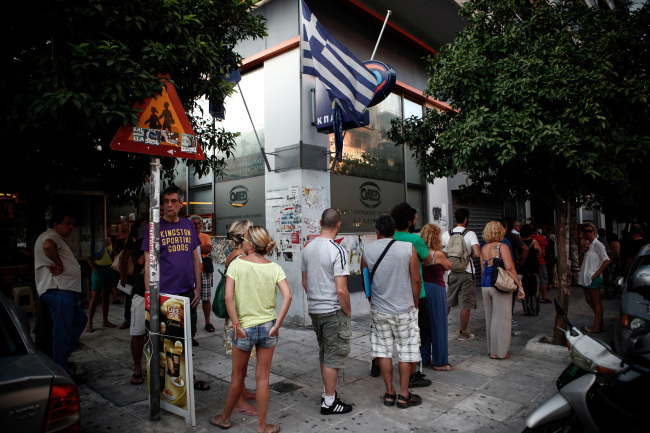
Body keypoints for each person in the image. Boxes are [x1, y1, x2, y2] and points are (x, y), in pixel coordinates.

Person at [210, 225, 292, 432]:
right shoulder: (274, 268)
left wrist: (236, 325)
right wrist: (278, 324)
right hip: (268, 328)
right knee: (263, 378)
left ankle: (224, 418)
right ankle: (263, 426)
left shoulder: (237, 265)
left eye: (245, 239)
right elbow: (288, 296)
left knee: (238, 376)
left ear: (252, 244)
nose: (242, 242)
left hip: (244, 328)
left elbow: (229, 297)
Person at [143, 185, 209, 391]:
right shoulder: (153, 227)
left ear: (181, 204)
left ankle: (188, 376)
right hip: (165, 294)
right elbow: (148, 262)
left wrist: (198, 288)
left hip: (187, 293)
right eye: (166, 201)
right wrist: (149, 296)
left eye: (173, 201)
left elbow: (195, 256)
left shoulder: (188, 225)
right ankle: (169, 381)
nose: (169, 205)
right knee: (168, 339)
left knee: (188, 337)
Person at [361, 214, 423, 409]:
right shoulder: (408, 248)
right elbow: (416, 280)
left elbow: (365, 280)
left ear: (377, 232)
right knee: (406, 352)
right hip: (405, 309)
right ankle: (404, 395)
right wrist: (414, 304)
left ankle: (389, 393)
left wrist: (372, 299)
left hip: (380, 310)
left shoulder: (368, 250)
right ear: (394, 231)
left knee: (383, 352)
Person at [301, 208, 353, 414]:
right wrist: (348, 311)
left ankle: (327, 392)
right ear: (339, 225)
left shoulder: (307, 248)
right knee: (333, 356)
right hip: (332, 310)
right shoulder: (337, 250)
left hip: (315, 309)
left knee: (324, 353)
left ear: (320, 222)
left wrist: (316, 299)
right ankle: (329, 402)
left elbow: (305, 282)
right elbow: (341, 289)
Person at [34, 209, 87, 375]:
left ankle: (60, 357)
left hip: (63, 291)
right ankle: (60, 368)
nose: (71, 227)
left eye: (72, 224)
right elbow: (47, 246)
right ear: (56, 224)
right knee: (62, 332)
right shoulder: (51, 236)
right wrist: (59, 263)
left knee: (79, 319)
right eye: (67, 223)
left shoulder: (56, 237)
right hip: (59, 290)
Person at [390, 202, 431, 388]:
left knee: (393, 336)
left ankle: (378, 366)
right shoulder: (414, 240)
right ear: (409, 222)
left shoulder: (389, 238)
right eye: (415, 219)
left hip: (394, 292)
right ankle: (413, 373)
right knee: (417, 335)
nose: (416, 222)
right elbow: (428, 259)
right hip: (416, 294)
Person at [223, 219, 258, 416]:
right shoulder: (239, 259)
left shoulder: (236, 255)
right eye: (249, 231)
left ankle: (242, 391)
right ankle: (238, 401)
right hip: (240, 316)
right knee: (240, 364)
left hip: (238, 315)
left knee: (242, 362)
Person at [480, 221, 525, 360]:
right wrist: (519, 286)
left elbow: (483, 270)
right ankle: (500, 352)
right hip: (499, 285)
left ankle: (492, 350)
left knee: (490, 319)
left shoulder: (484, 248)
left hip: (485, 285)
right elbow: (510, 268)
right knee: (502, 319)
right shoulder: (502, 246)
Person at [442, 208, 481, 340]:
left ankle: (440, 330)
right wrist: (468, 254)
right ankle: (463, 333)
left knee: (447, 302)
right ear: (466, 219)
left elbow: (441, 252)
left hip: (451, 271)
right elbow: (477, 253)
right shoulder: (470, 234)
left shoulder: (447, 234)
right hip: (467, 272)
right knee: (466, 303)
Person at [419, 223, 453, 371]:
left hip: (422, 289)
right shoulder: (437, 254)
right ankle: (439, 361)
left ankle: (424, 358)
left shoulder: (419, 253)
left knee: (424, 325)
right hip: (436, 290)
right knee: (439, 325)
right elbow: (449, 266)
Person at [579, 222, 610, 333]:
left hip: (593, 276)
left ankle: (596, 326)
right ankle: (600, 324)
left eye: (589, 231)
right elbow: (581, 262)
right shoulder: (587, 245)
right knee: (589, 300)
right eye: (585, 231)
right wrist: (582, 253)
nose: (587, 233)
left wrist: (596, 274)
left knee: (596, 301)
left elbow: (606, 260)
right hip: (585, 276)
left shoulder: (598, 244)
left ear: (594, 232)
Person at [128, 218, 148, 385]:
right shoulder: (138, 244)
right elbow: (141, 261)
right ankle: (137, 367)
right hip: (141, 293)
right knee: (138, 333)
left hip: (162, 293)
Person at [85, 237, 118, 332]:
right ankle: (90, 322)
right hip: (99, 269)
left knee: (106, 296)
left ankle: (105, 320)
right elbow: (88, 257)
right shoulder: (95, 241)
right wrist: (95, 270)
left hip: (109, 268)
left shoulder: (109, 239)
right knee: (95, 296)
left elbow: (111, 253)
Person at [190, 215, 215, 333]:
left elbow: (209, 249)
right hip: (191, 271)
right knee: (192, 299)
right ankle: (192, 326)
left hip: (204, 271)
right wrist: (201, 248)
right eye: (194, 223)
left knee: (206, 298)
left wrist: (195, 248)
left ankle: (208, 322)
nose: (196, 226)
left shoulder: (205, 236)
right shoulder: (188, 236)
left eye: (198, 223)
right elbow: (202, 249)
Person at [520, 224, 542, 316]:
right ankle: (534, 310)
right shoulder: (534, 241)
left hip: (523, 269)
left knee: (525, 290)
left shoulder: (519, 242)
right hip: (534, 268)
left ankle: (526, 310)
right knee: (535, 291)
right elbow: (539, 252)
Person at [530, 223, 550, 303]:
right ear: (537, 229)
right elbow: (546, 245)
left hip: (530, 262)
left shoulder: (526, 239)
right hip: (541, 261)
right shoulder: (542, 238)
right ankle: (543, 297)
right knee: (543, 278)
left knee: (532, 279)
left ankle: (532, 296)